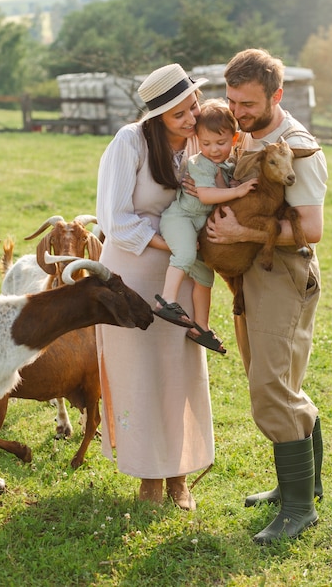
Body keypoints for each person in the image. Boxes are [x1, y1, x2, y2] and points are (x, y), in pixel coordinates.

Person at [205, 48, 328, 543]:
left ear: (277, 95)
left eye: (249, 103)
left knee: (271, 388)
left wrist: (240, 236)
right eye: (233, 100)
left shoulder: (299, 147)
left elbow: (313, 230)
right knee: (272, 378)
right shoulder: (246, 134)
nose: (238, 111)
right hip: (255, 274)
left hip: (285, 272)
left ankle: (299, 510)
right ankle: (301, 485)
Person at [95, 63, 215, 510]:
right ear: (158, 114)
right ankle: (147, 474)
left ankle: (179, 472)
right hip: (132, 269)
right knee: (137, 373)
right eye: (180, 112)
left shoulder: (197, 143)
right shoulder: (130, 142)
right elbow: (115, 220)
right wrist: (175, 244)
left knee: (179, 367)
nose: (191, 117)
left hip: (177, 273)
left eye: (194, 106)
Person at [154, 98, 258, 355]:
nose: (213, 149)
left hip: (198, 225)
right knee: (186, 254)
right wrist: (238, 191)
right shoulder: (199, 163)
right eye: (206, 143)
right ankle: (166, 300)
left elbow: (222, 188)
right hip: (181, 218)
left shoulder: (228, 165)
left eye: (220, 143)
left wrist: (233, 185)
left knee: (204, 277)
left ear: (234, 140)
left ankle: (201, 325)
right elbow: (206, 196)